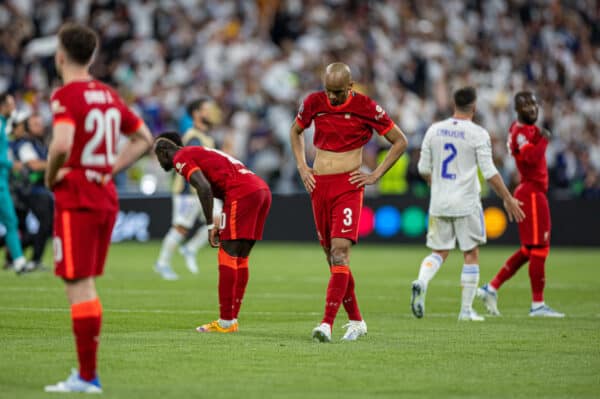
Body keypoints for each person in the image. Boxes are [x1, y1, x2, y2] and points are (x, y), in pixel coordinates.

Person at [44, 23, 153, 393]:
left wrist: (51, 175)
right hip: (104, 194)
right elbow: (144, 139)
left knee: (79, 286)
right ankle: (86, 374)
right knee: (85, 284)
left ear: (60, 56)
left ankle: (87, 376)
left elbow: (61, 143)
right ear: (91, 56)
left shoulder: (65, 95)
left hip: (76, 194)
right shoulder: (107, 94)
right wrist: (110, 168)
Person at [290, 62, 408, 342]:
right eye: (329, 91)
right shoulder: (313, 102)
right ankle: (357, 321)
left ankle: (326, 324)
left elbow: (399, 141)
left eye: (338, 92)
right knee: (333, 261)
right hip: (318, 185)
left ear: (351, 87)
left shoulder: (366, 106)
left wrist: (376, 174)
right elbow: (295, 131)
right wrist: (302, 167)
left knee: (340, 253)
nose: (332, 98)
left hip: (348, 185)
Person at [410, 86, 525, 321]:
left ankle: (422, 281)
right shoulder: (478, 134)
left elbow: (422, 168)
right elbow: (489, 171)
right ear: (474, 106)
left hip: (440, 201)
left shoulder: (434, 130)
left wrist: (437, 183)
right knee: (470, 253)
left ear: (454, 104)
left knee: (439, 251)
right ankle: (465, 311)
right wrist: (507, 197)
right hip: (466, 202)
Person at [154, 131, 271, 333]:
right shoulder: (199, 151)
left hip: (241, 192)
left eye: (157, 156)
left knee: (227, 254)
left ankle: (226, 321)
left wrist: (210, 225)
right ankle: (231, 319)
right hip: (260, 190)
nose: (158, 161)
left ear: (164, 151)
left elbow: (204, 187)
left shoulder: (181, 157)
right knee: (241, 257)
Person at [477, 92, 565, 318]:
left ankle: (492, 287)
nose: (532, 108)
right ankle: (537, 305)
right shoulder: (521, 131)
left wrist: (540, 136)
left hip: (534, 192)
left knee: (528, 250)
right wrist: (544, 140)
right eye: (526, 105)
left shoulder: (527, 130)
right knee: (540, 249)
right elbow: (529, 159)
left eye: (534, 103)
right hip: (532, 193)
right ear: (517, 109)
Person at [154, 97, 221, 280]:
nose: (211, 113)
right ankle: (162, 263)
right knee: (181, 228)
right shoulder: (193, 137)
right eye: (207, 109)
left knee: (221, 222)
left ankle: (189, 249)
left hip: (204, 190)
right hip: (188, 190)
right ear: (197, 113)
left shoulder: (207, 137)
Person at [11, 113, 54, 270]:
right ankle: (32, 259)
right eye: (36, 124)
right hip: (30, 191)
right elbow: (33, 165)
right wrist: (54, 162)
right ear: (28, 128)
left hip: (41, 190)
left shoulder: (38, 143)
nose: (40, 127)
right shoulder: (25, 144)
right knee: (44, 223)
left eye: (40, 123)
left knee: (48, 226)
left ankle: (16, 255)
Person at [0, 92, 27, 273]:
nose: (13, 108)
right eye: (10, 104)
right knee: (10, 221)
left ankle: (18, 261)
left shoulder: (3, 125)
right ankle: (18, 261)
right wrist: (12, 164)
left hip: (2, 180)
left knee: (11, 221)